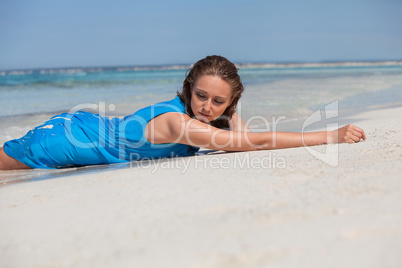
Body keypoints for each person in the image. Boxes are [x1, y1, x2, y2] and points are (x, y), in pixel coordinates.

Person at [0, 55, 366, 170]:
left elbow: (236, 138)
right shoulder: (178, 121)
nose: (207, 106)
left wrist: (232, 111)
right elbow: (252, 143)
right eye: (201, 95)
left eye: (219, 101)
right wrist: (328, 135)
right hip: (66, 141)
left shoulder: (201, 115)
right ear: (189, 88)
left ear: (231, 102)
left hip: (82, 127)